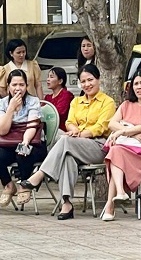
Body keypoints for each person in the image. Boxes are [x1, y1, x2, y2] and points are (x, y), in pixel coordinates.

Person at [18, 64, 116, 219]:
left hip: (98, 145)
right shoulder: (76, 101)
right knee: (67, 157)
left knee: (65, 140)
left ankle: (40, 175)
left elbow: (101, 127)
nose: (87, 84)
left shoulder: (107, 102)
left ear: (98, 79)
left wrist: (80, 134)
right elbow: (69, 122)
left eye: (90, 80)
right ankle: (66, 203)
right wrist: (74, 129)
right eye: (83, 81)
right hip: (75, 143)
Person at [101, 68, 141, 222]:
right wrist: (133, 134)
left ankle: (111, 204)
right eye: (136, 84)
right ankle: (119, 194)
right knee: (116, 152)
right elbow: (112, 124)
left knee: (115, 154)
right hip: (124, 147)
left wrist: (124, 131)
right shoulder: (126, 104)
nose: (139, 87)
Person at [0, 70, 48, 209]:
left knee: (23, 153)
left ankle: (24, 185)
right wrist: (11, 108)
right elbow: (2, 130)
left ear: (26, 86)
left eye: (21, 84)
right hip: (9, 144)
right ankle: (8, 185)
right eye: (14, 85)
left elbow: (32, 126)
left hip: (32, 142)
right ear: (8, 86)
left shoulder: (33, 101)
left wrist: (25, 142)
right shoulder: (1, 103)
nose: (18, 88)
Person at [43, 66, 73, 131]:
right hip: (49, 129)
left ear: (60, 81)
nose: (48, 79)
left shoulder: (66, 95)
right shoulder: (48, 97)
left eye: (51, 77)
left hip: (62, 130)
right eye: (48, 77)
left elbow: (58, 114)